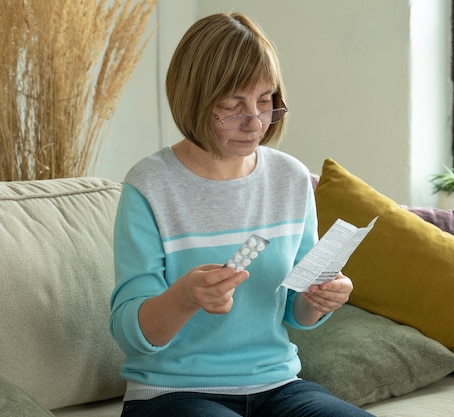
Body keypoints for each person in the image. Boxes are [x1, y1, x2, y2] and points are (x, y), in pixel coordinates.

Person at [109, 12, 374, 417]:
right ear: (194, 101)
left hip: (278, 385)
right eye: (233, 106)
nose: (256, 122)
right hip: (170, 394)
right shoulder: (150, 186)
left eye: (266, 101)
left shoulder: (291, 178)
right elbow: (130, 333)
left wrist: (318, 299)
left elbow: (294, 314)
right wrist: (184, 297)